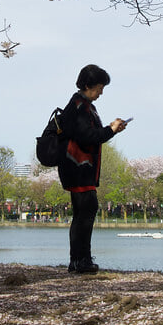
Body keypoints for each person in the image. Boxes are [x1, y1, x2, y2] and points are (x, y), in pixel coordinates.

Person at [57, 64, 128, 274]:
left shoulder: (83, 105)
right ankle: (81, 261)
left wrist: (110, 129)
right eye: (98, 88)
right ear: (87, 85)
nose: (101, 92)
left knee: (83, 214)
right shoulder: (80, 106)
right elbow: (88, 137)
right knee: (86, 213)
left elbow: (91, 134)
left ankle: (79, 260)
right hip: (78, 167)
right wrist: (110, 130)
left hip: (80, 168)